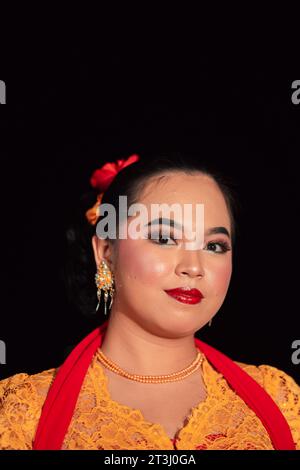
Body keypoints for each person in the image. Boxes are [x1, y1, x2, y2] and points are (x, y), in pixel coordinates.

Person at [0, 153, 299, 451]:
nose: (193, 266)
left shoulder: (278, 399)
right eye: (165, 238)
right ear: (106, 252)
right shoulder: (24, 412)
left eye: (213, 245)